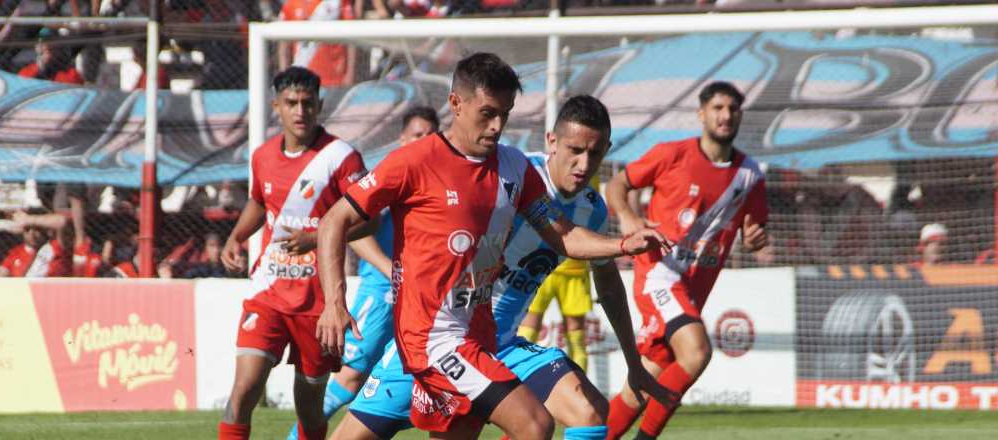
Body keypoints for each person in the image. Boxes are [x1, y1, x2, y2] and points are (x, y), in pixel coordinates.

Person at [315, 53, 668, 440]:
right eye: (487, 113)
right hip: (430, 339)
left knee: (581, 412)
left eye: (506, 113)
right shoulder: (413, 162)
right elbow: (335, 220)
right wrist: (335, 302)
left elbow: (563, 235)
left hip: (486, 340)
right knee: (534, 424)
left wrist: (622, 243)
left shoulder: (515, 169)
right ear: (456, 104)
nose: (498, 126)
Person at [603, 81, 769, 439]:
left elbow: (754, 232)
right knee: (696, 351)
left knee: (641, 388)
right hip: (658, 274)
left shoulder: (750, 175)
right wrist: (628, 217)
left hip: (691, 290)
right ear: (701, 113)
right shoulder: (671, 154)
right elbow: (617, 184)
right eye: (718, 108)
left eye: (733, 109)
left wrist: (757, 238)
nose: (726, 115)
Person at [216, 66, 369, 440]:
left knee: (310, 405)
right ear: (276, 107)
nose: (300, 111)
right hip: (268, 291)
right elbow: (258, 202)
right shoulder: (263, 156)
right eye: (291, 103)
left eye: (307, 103)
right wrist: (236, 237)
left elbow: (370, 221)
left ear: (320, 105)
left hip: (319, 302)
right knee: (244, 390)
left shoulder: (341, 157)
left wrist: (316, 238)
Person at [284, 105, 441, 440]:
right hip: (382, 297)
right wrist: (391, 270)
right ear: (402, 138)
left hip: (419, 303)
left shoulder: (437, 180)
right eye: (417, 134)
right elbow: (356, 230)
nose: (424, 140)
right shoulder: (392, 177)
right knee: (350, 378)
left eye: (430, 135)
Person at [516, 175, 601, 372]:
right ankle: (523, 383)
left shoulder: (582, 172)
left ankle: (578, 388)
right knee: (533, 331)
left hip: (567, 268)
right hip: (548, 266)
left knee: (572, 338)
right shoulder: (545, 172)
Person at [277, 0, 361, 87]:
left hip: (334, 79)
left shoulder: (338, 2)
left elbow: (352, 40)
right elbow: (284, 46)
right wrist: (285, 77)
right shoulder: (292, 3)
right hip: (302, 80)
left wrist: (350, 73)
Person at [17, 29, 84, 85]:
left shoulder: (70, 73)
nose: (47, 46)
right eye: (42, 43)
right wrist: (41, 68)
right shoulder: (25, 72)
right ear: (36, 47)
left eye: (51, 41)